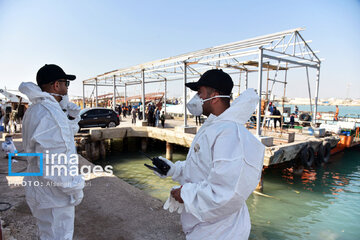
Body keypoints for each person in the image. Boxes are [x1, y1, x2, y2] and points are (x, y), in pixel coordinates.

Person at [149, 69, 265, 239]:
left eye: (200, 93)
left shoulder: (230, 133)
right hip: (205, 227)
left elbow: (226, 193)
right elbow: (201, 168)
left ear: (215, 96)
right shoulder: (214, 126)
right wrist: (173, 170)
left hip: (221, 232)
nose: (196, 98)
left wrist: (184, 194)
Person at [19, 64, 85, 240]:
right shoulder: (50, 114)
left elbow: (61, 139)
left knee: (46, 233)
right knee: (58, 235)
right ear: (56, 85)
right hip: (55, 197)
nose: (66, 88)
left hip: (41, 190)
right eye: (65, 84)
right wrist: (76, 187)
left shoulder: (35, 110)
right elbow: (55, 165)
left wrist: (69, 118)